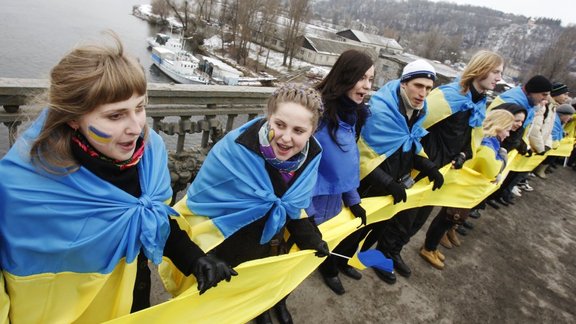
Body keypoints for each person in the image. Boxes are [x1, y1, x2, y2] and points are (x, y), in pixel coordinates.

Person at [0, 32, 235, 323]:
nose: (136, 127)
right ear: (74, 117)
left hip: (135, 298)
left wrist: (194, 258)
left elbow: (153, 219)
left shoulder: (150, 154)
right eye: (115, 116)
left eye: (140, 107)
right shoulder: (22, 188)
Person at [174, 84, 329, 324]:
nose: (286, 138)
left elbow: (294, 202)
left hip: (268, 242)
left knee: (259, 281)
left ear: (312, 131)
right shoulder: (235, 150)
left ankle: (261, 308)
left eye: (299, 130)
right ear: (269, 118)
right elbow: (198, 206)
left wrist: (308, 234)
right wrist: (204, 254)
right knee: (216, 306)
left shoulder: (313, 154)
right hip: (225, 245)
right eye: (279, 125)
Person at [403, 50, 504, 253]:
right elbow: (415, 126)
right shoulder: (450, 95)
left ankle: (395, 252)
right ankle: (386, 254)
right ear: (481, 68)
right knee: (404, 216)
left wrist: (464, 154)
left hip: (443, 171)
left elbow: (471, 138)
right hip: (422, 165)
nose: (499, 78)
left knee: (419, 218)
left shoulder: (479, 103)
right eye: (496, 72)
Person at [356, 59, 444, 284]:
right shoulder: (379, 111)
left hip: (394, 186)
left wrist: (429, 167)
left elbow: (409, 144)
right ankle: (332, 267)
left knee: (378, 229)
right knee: (355, 229)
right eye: (418, 85)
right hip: (369, 187)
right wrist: (387, 183)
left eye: (428, 88)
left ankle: (361, 257)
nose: (423, 93)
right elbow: (362, 158)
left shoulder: (418, 111)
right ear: (404, 83)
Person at [305, 49, 374, 295]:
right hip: (304, 212)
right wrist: (308, 218)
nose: (367, 86)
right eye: (362, 78)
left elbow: (345, 164)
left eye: (371, 80)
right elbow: (294, 173)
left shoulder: (352, 114)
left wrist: (353, 201)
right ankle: (271, 305)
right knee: (284, 260)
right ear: (346, 75)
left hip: (330, 210)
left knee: (302, 265)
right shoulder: (315, 115)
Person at [420, 108, 515, 269]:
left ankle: (432, 246)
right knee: (447, 218)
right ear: (499, 126)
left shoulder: (490, 141)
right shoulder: (488, 143)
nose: (508, 134)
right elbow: (491, 168)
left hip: (464, 188)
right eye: (507, 129)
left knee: (447, 218)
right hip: (462, 188)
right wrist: (503, 157)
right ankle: (428, 248)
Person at [486, 75, 552, 206]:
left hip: (506, 145)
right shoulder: (513, 101)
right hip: (496, 145)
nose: (546, 98)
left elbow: (525, 125)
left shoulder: (529, 102)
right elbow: (496, 127)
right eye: (543, 94)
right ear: (532, 90)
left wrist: (521, 142)